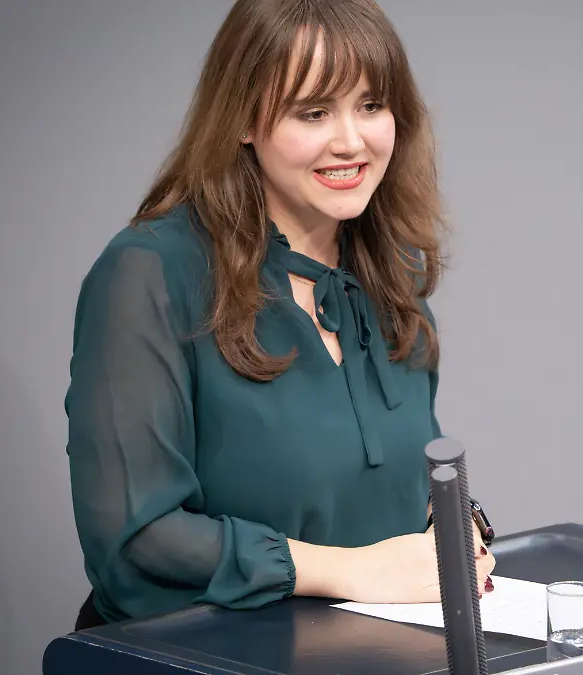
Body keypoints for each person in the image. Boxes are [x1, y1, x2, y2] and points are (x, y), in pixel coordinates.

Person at [65, 0, 495, 630]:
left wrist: (448, 533)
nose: (351, 140)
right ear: (242, 117)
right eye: (313, 111)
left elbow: (399, 480)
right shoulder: (149, 273)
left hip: (377, 647)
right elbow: (136, 536)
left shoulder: (390, 261)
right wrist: (356, 572)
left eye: (371, 105)